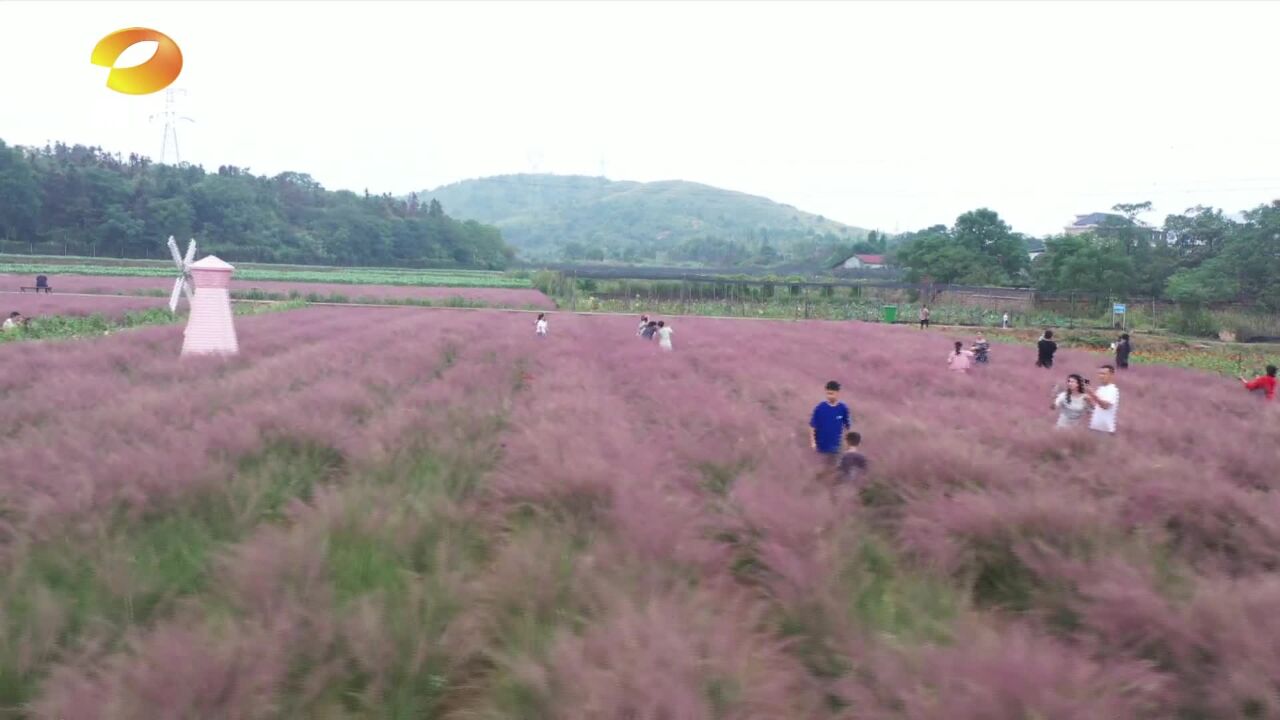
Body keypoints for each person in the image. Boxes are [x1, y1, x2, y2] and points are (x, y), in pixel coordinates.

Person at [810, 380, 853, 463]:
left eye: (831, 394)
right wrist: (813, 443)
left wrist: (848, 445)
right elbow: (812, 426)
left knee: (832, 470)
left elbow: (848, 427)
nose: (829, 396)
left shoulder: (843, 408)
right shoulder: (820, 407)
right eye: (827, 393)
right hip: (821, 447)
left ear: (837, 393)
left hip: (835, 447)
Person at [1085, 364, 1120, 434]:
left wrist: (1092, 393)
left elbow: (1105, 406)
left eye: (1104, 374)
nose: (1101, 376)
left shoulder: (1113, 390)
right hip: (1094, 428)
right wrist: (1088, 400)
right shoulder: (1100, 389)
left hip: (1105, 431)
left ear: (1111, 375)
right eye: (1099, 374)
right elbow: (1097, 406)